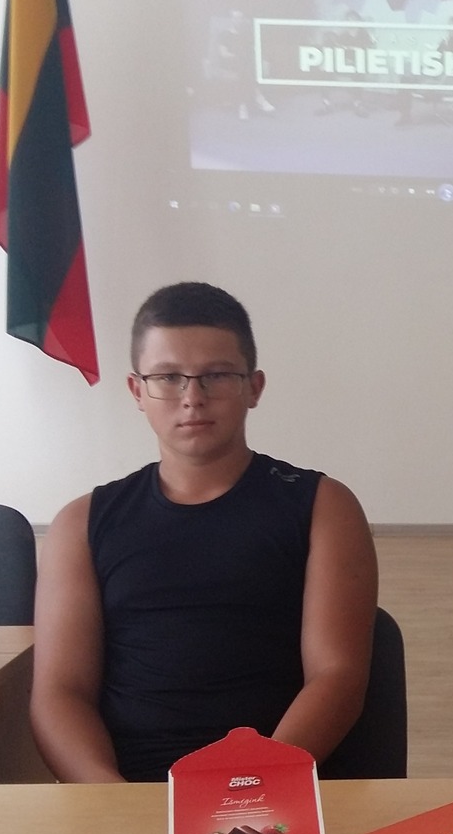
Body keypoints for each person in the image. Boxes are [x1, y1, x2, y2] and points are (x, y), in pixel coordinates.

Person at [31, 282, 379, 783]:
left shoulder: (323, 507)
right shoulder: (80, 524)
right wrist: (111, 799)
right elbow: (60, 694)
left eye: (217, 376)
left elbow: (337, 677)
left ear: (254, 387)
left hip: (276, 784)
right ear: (137, 391)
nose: (192, 398)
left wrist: (244, 787)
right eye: (168, 377)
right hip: (128, 792)